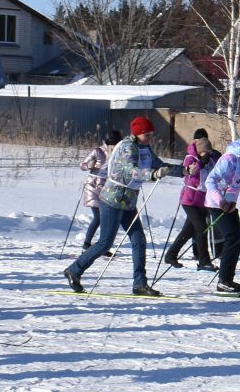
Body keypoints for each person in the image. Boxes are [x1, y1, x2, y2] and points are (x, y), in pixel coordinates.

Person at [63, 117, 177, 298]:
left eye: (150, 135)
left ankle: (140, 284)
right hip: (112, 200)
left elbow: (160, 165)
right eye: (146, 135)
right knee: (105, 243)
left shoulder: (144, 148)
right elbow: (130, 171)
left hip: (129, 202)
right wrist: (153, 174)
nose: (149, 138)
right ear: (137, 133)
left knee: (139, 241)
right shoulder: (126, 147)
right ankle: (74, 270)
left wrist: (184, 171)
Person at [202, 131, 240, 294]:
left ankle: (227, 279)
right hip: (217, 204)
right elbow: (210, 180)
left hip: (230, 204)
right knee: (232, 238)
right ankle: (223, 280)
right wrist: (221, 201)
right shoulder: (229, 159)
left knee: (236, 240)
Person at [163, 128, 220, 270]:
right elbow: (191, 173)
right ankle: (203, 261)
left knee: (188, 231)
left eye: (208, 152)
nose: (206, 154)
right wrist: (201, 162)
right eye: (204, 152)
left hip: (203, 201)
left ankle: (171, 255)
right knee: (202, 228)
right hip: (190, 200)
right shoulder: (190, 158)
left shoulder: (210, 160)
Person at [76, 129, 120, 252]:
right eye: (112, 144)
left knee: (106, 218)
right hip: (94, 188)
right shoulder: (98, 151)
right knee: (99, 218)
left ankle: (102, 245)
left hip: (108, 189)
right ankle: (87, 244)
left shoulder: (119, 153)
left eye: (116, 144)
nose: (114, 146)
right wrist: (89, 165)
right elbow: (82, 165)